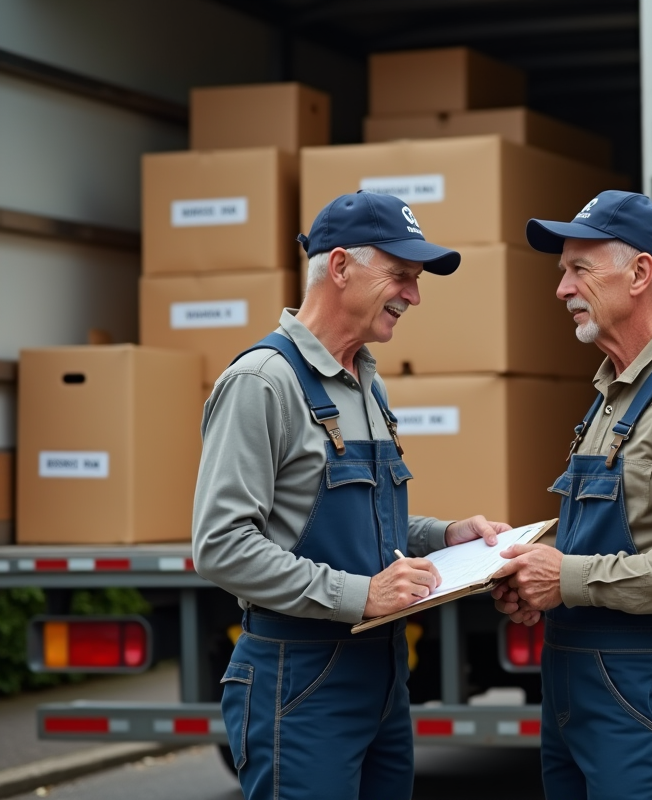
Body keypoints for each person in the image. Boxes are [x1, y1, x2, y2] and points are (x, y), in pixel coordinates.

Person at [193, 191, 510, 800]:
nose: (414, 296)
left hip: (383, 680)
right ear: (339, 267)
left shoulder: (366, 382)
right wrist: (360, 595)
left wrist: (445, 536)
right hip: (301, 683)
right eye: (401, 277)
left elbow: (366, 524)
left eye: (416, 282)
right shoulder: (261, 383)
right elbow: (221, 546)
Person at [491, 190, 652, 800]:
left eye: (579, 268)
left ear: (639, 274)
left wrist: (568, 579)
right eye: (562, 272)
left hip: (643, 682)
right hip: (574, 675)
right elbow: (598, 535)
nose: (561, 288)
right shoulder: (613, 395)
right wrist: (522, 566)